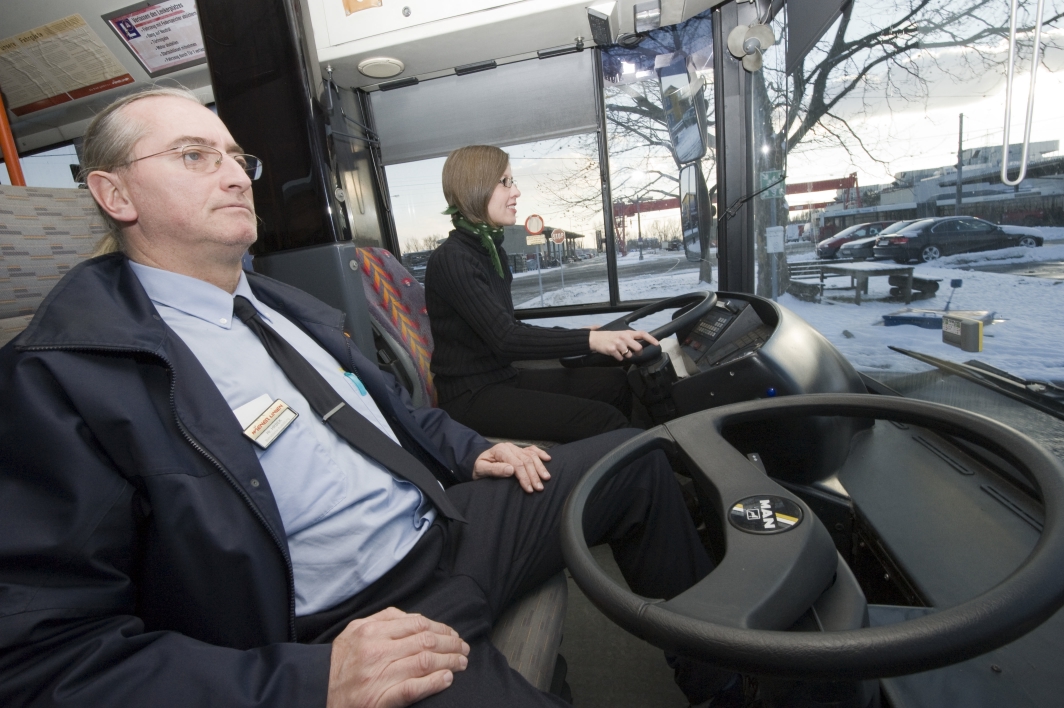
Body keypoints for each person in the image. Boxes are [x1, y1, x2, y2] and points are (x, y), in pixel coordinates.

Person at [0, 88, 735, 707]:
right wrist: (308, 679)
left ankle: (727, 684)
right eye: (196, 156)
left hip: (443, 528)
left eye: (236, 157)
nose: (234, 176)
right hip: (355, 615)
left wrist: (475, 450)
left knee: (634, 459)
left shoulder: (284, 307)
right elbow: (45, 657)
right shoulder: (59, 376)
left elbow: (392, 413)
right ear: (114, 193)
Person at [424, 145, 659, 443]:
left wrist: (576, 334)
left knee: (614, 383)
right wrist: (590, 340)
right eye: (506, 181)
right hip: (471, 396)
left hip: (501, 378)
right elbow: (506, 337)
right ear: (477, 187)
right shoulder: (452, 258)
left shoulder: (490, 250)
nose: (517, 191)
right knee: (605, 420)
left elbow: (506, 327)